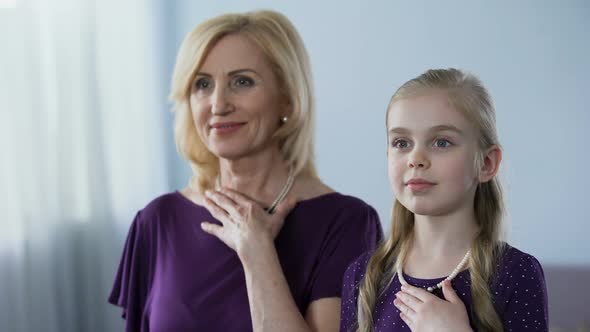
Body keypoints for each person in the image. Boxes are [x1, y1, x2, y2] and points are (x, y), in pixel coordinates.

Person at [108, 10, 382, 332]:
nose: (218, 104)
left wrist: (257, 253)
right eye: (202, 84)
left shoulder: (346, 222)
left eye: (242, 82)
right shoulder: (156, 221)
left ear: (287, 100)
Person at [340, 68, 548, 332]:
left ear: (486, 163)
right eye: (402, 142)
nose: (415, 158)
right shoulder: (362, 276)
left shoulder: (516, 274)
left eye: (441, 142)